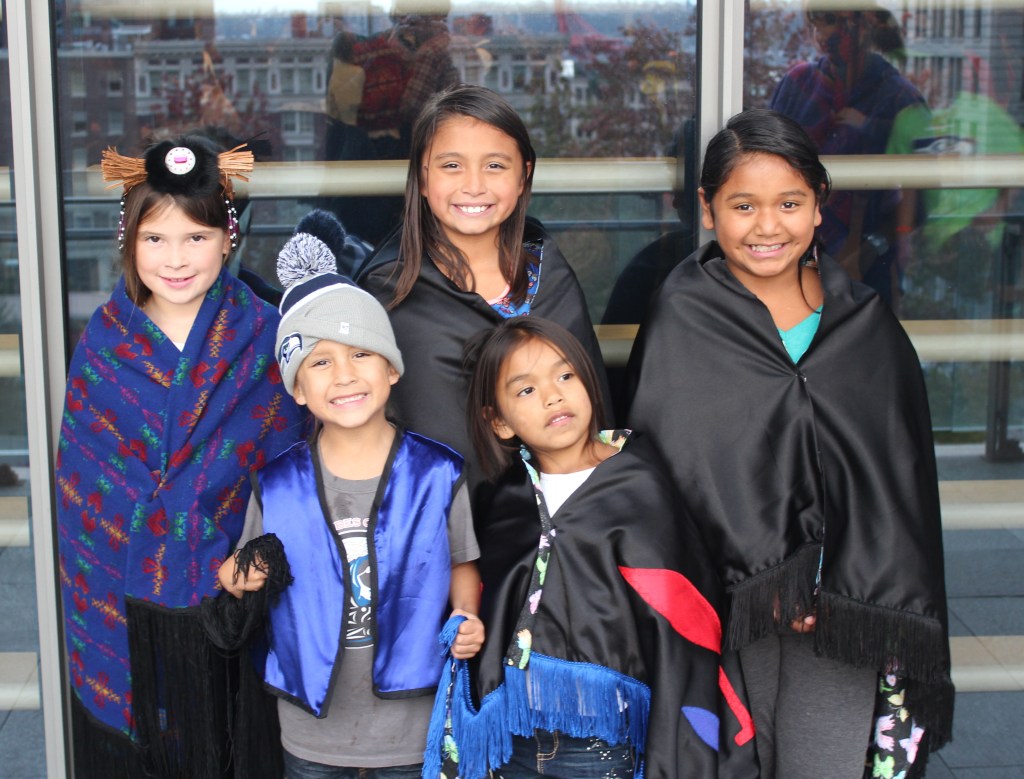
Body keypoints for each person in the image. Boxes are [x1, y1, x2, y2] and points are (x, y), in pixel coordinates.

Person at [625, 108, 954, 779]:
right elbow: (664, 475)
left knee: (823, 764)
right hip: (723, 613)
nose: (767, 226)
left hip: (842, 616)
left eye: (790, 203)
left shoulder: (865, 324)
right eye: (743, 204)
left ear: (819, 205)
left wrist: (830, 584)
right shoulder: (682, 314)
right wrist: (766, 581)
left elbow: (895, 486)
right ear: (708, 208)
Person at [55, 135, 307, 777]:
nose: (175, 259)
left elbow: (294, 478)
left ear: (228, 238)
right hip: (129, 613)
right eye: (155, 239)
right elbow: (85, 499)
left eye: (196, 238)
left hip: (233, 607)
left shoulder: (265, 339)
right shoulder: (102, 349)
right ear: (128, 243)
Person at [209, 210, 485, 778]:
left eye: (361, 353)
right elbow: (233, 575)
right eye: (320, 362)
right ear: (299, 390)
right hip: (313, 728)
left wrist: (467, 615)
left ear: (391, 370)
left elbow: (462, 561)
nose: (344, 375)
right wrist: (245, 573)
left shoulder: (437, 474)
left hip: (410, 723)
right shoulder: (277, 483)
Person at [422, 317, 757, 779]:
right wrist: (469, 625)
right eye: (525, 390)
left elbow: (681, 615)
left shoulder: (641, 484)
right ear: (497, 421)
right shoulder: (504, 500)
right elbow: (486, 592)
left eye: (565, 376)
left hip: (604, 745)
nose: (553, 396)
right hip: (513, 739)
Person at [357, 84, 610, 500]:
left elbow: (593, 412)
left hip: (564, 532)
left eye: (495, 166)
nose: (474, 186)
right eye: (451, 166)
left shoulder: (552, 277)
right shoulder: (390, 293)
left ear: (525, 173)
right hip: (442, 536)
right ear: (421, 178)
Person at [770, 6, 929, 308]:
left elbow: (920, 195)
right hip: (793, 253)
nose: (822, 34)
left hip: (869, 263)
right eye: (814, 23)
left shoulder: (898, 98)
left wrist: (868, 248)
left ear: (865, 26)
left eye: (831, 20)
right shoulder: (800, 84)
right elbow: (763, 164)